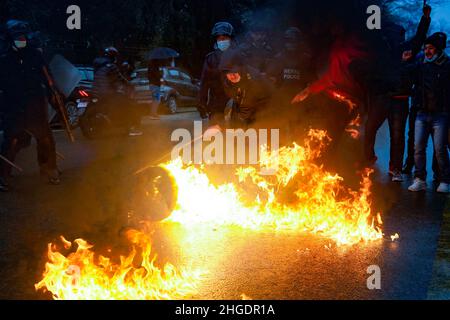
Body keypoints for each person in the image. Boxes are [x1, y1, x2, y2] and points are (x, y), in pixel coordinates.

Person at [363, 6, 431, 182]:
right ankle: (368, 159)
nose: (396, 36)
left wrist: (425, 19)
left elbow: (419, 39)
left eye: (398, 34)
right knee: (370, 128)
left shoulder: (406, 49)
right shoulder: (381, 50)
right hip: (381, 98)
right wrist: (373, 10)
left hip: (399, 99)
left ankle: (395, 169)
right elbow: (372, 33)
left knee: (397, 135)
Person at [0, 20, 60, 192]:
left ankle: (48, 169)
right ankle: (3, 175)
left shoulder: (35, 55)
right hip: (13, 107)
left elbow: (47, 79)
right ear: (9, 38)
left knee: (46, 139)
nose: (21, 39)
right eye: (17, 36)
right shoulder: (4, 59)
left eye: (23, 36)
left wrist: (53, 95)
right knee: (11, 141)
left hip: (35, 105)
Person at [403, 32, 450, 193]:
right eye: (425, 48)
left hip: (440, 114)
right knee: (418, 148)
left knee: (440, 149)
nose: (427, 51)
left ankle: (445, 180)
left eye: (430, 48)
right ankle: (420, 179)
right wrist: (408, 60)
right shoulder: (421, 64)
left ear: (437, 49)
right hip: (422, 113)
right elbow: (408, 73)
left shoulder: (447, 65)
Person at [92, 47, 144, 136]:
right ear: (113, 56)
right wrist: (129, 85)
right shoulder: (111, 66)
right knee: (129, 105)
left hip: (95, 91)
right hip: (106, 92)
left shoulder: (98, 67)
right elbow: (120, 78)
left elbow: (107, 79)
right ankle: (131, 128)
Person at [198, 21, 235, 124]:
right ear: (216, 40)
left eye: (225, 38)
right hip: (216, 104)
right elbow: (204, 82)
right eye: (219, 38)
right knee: (216, 134)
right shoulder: (210, 59)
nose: (222, 41)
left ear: (231, 39)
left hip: (237, 104)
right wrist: (202, 103)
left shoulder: (239, 56)